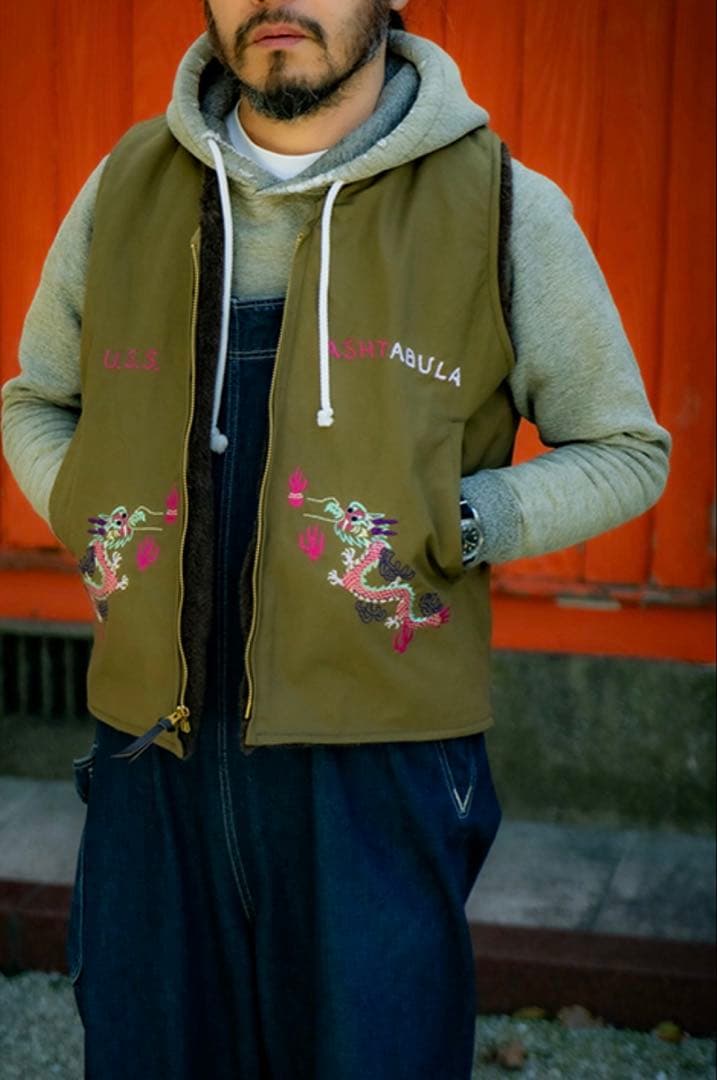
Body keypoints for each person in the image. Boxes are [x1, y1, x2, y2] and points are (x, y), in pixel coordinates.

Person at [1, 1, 671, 1077]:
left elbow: (626, 449)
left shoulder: (500, 204)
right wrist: (98, 521)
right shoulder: (123, 191)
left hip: (379, 768)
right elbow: (37, 402)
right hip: (151, 761)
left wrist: (455, 525)